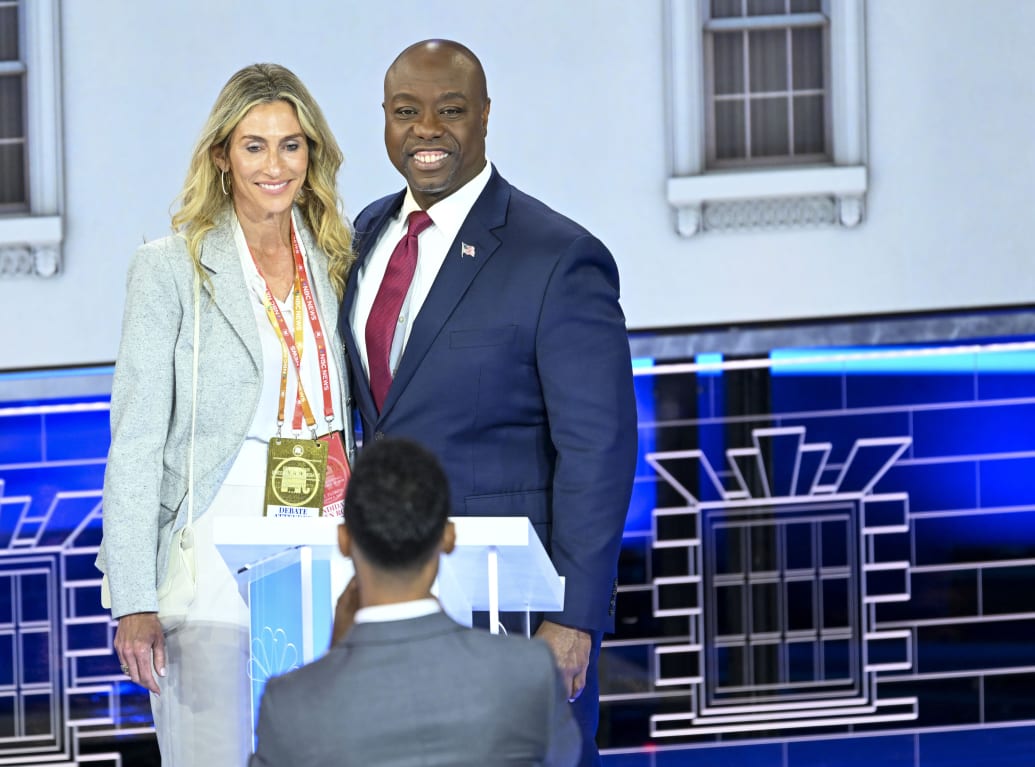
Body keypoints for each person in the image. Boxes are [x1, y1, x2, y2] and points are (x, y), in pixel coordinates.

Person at [340, 40, 638, 766]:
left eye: (450, 111)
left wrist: (573, 618)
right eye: (406, 112)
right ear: (384, 119)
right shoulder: (363, 237)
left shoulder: (558, 256)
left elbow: (598, 449)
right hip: (387, 611)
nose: (427, 130)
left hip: (514, 616)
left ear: (484, 117)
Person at [96, 63, 354, 766]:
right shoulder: (169, 267)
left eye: (291, 144)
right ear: (221, 155)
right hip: (208, 563)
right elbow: (137, 440)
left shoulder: (336, 257)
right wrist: (133, 597)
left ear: (312, 153)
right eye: (254, 145)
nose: (276, 164)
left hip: (326, 554)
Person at [249, 437, 581, 766]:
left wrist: (335, 660)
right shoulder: (528, 672)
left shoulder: (290, 702)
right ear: (449, 537)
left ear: (344, 540)